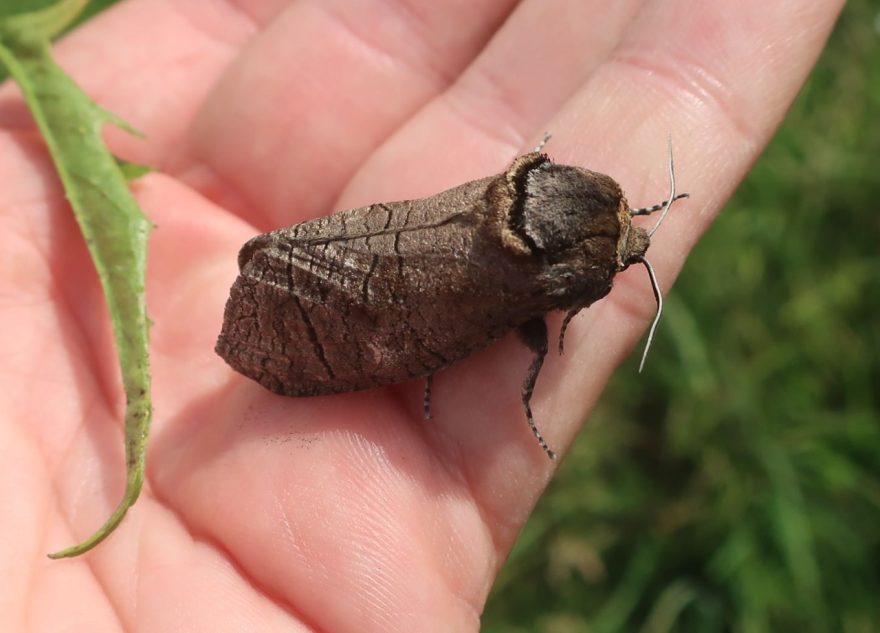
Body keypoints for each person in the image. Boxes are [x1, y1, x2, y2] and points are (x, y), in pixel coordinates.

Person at [0, 0, 843, 630]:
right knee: (385, 306)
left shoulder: (567, 218)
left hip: (373, 251)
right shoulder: (557, 285)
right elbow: (542, 329)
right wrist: (522, 392)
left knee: (360, 263)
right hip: (359, 322)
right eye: (631, 231)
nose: (633, 232)